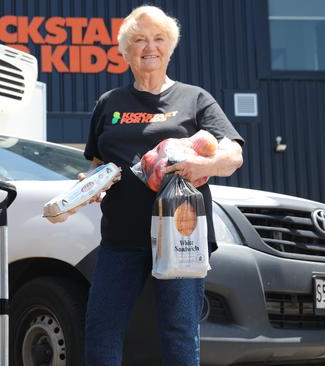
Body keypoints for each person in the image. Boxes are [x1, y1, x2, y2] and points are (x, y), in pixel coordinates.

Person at [82, 5, 244, 366]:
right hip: (122, 238)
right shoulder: (110, 103)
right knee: (101, 330)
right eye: (139, 40)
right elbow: (97, 164)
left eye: (158, 39)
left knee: (179, 332)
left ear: (170, 48)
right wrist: (91, 185)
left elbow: (233, 155)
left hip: (182, 237)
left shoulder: (195, 98)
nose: (149, 47)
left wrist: (201, 164)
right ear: (125, 51)